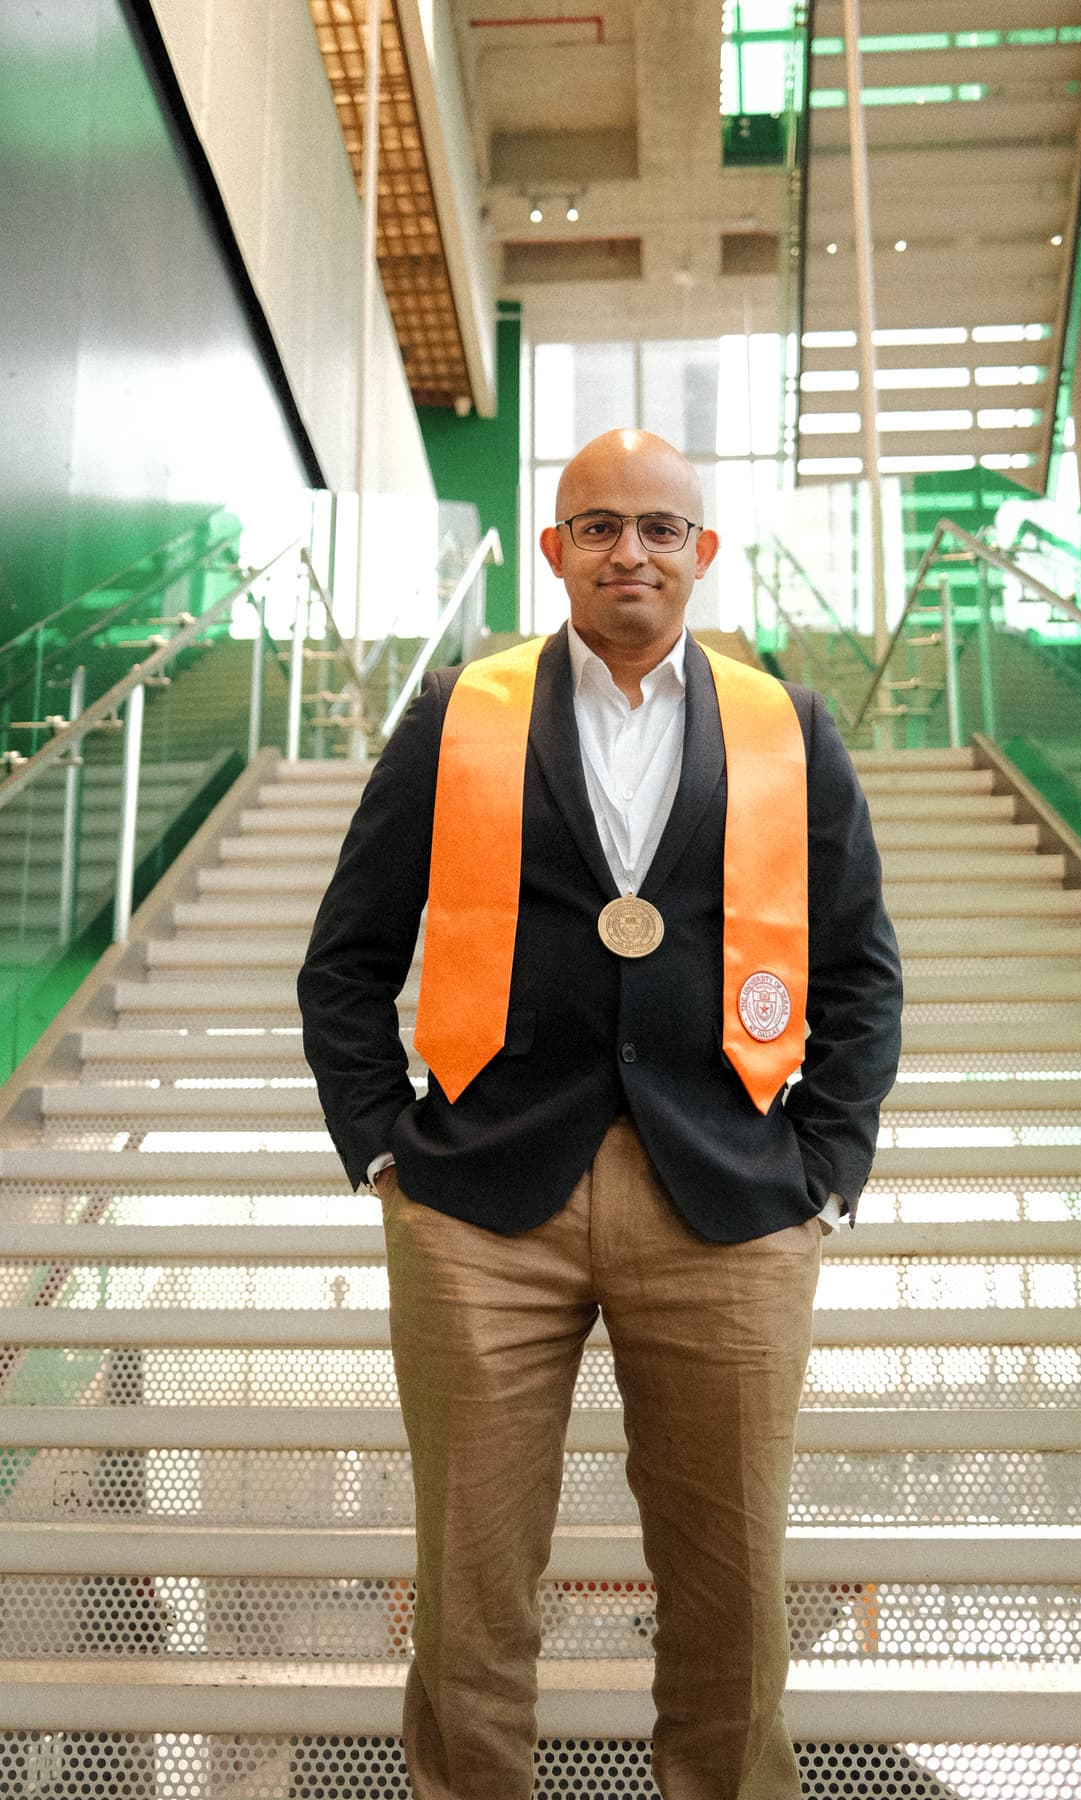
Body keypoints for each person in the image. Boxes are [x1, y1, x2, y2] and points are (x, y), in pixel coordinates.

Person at [298, 428, 903, 1800]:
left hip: (732, 1197)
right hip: (481, 1202)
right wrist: (385, 1145)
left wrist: (825, 1164)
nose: (630, 551)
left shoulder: (785, 728)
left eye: (659, 527)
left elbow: (861, 968)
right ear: (558, 545)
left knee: (733, 1585)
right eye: (598, 527)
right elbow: (347, 958)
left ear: (703, 551)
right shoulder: (462, 713)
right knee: (470, 1591)